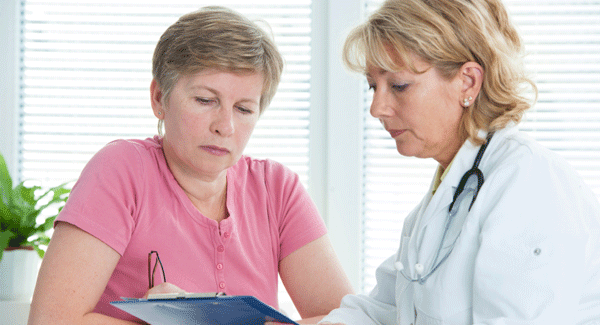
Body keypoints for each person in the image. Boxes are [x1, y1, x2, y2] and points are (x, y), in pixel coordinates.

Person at [28, 6, 353, 325]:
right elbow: (51, 319)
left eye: (243, 109)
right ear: (159, 98)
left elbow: (348, 320)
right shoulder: (121, 170)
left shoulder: (277, 189)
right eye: (204, 100)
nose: (224, 126)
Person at [317, 0, 600, 324]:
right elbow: (381, 311)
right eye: (373, 86)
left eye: (398, 85)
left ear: (467, 82)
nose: (377, 108)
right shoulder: (444, 199)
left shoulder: (531, 186)